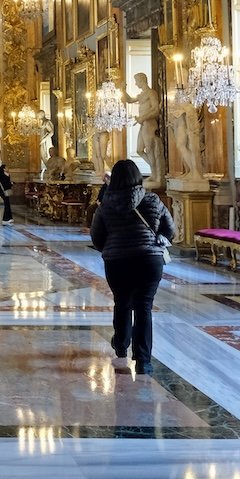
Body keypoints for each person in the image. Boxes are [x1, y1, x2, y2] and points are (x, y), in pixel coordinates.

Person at [90, 158, 175, 374]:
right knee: (144, 307)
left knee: (122, 302)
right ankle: (143, 361)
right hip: (149, 260)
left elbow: (97, 236)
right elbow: (170, 228)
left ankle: (120, 345)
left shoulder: (106, 205)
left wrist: (111, 249)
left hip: (117, 261)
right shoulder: (153, 200)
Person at [125, 72, 165, 187]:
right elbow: (129, 100)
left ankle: (155, 174)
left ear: (142, 80)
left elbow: (156, 110)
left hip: (149, 123)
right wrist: (123, 90)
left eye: (137, 81)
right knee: (139, 150)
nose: (136, 84)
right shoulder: (142, 94)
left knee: (150, 150)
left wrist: (143, 117)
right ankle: (154, 170)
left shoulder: (151, 93)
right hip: (143, 123)